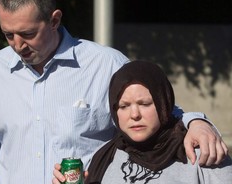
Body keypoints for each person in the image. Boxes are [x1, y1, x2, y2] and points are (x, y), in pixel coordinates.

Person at [0, 0, 228, 184]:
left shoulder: (105, 64)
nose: (17, 45)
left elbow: (160, 112)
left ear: (54, 20)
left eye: (28, 34)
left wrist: (196, 122)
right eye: (8, 35)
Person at [53, 60, 232, 184]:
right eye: (123, 106)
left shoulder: (202, 151)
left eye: (144, 104)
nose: (134, 114)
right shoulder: (104, 157)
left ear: (164, 103)